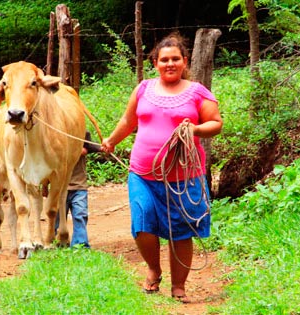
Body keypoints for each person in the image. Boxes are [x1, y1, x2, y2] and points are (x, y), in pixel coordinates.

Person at [101, 32, 223, 303]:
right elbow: (128, 121)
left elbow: (216, 123)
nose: (170, 64)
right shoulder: (144, 88)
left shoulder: (197, 92)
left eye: (175, 59)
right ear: (155, 62)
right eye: (164, 59)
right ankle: (154, 269)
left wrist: (194, 129)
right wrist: (111, 140)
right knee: (143, 222)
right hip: (143, 173)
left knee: (181, 230)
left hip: (184, 177)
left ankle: (179, 286)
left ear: (184, 61)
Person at [56, 131, 101, 248]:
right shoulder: (55, 140)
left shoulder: (81, 134)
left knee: (80, 215)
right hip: (59, 189)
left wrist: (106, 145)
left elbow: (91, 147)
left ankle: (80, 244)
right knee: (57, 218)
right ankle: (57, 242)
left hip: (79, 186)